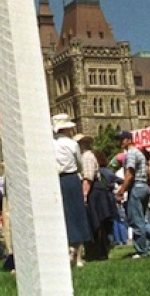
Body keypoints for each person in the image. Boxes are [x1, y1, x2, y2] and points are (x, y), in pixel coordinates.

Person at [52, 114, 91, 267]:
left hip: (56, 180)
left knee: (62, 216)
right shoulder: (71, 144)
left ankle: (66, 252)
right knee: (77, 216)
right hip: (71, 179)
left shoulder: (50, 144)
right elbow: (79, 163)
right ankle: (78, 256)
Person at [114, 130, 150, 259]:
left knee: (136, 221)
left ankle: (141, 251)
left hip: (136, 187)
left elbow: (130, 174)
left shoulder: (130, 153)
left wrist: (121, 190)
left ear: (129, 140)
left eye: (122, 139)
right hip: (144, 186)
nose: (120, 142)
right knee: (143, 220)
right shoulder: (139, 153)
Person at [76, 135, 116, 261]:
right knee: (96, 223)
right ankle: (97, 252)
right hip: (95, 190)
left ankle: (98, 252)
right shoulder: (86, 156)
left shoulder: (87, 157)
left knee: (96, 223)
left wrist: (84, 195)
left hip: (94, 191)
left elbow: (88, 177)